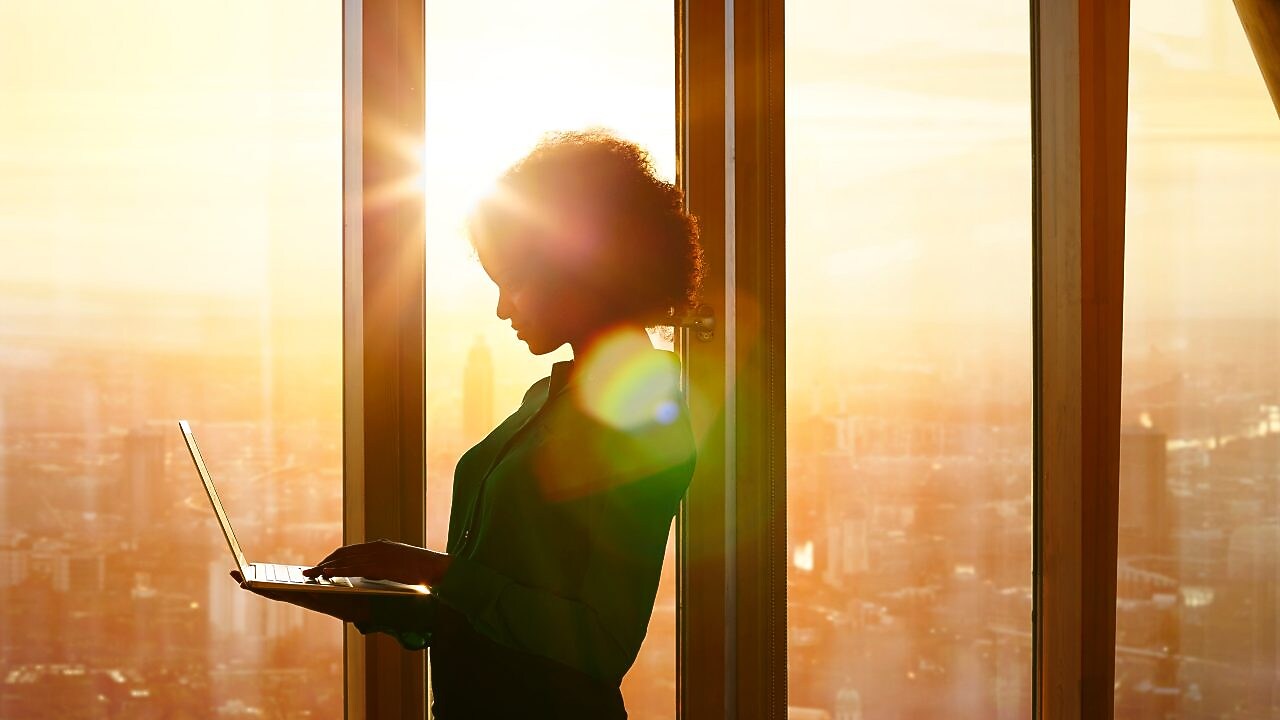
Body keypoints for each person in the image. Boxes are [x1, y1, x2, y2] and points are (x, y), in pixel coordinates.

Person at [231, 129, 703, 718]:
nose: (503, 308)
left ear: (581, 271)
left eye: (513, 282)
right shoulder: (549, 400)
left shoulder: (642, 420)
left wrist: (433, 572)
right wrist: (387, 597)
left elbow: (599, 643)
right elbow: (499, 593)